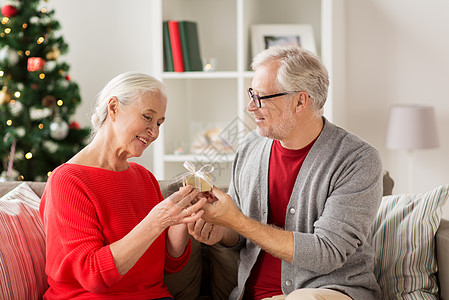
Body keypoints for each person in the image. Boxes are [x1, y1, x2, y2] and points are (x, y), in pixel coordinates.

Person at [188, 45, 383, 300]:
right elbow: (240, 234)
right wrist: (222, 230)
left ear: (301, 101)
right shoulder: (250, 146)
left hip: (329, 292)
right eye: (251, 94)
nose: (250, 107)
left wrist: (236, 220)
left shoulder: (357, 159)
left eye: (261, 97)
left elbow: (327, 253)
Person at [39, 72, 206, 299]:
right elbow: (92, 275)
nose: (155, 132)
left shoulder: (144, 178)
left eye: (159, 123)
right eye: (148, 117)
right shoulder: (68, 181)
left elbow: (170, 264)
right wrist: (156, 222)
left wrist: (181, 220)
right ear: (114, 108)